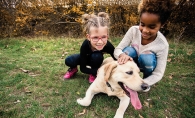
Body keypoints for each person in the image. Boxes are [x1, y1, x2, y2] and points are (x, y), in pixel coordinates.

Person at [114, 0, 175, 91]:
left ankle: (145, 79)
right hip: (132, 64)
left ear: (162, 25)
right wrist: (121, 55)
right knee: (128, 51)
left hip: (147, 65)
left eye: (151, 27)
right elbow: (118, 49)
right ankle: (125, 77)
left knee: (147, 57)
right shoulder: (133, 30)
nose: (145, 30)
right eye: (142, 24)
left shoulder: (162, 45)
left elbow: (158, 74)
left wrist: (142, 83)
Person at [64, 12, 116, 83]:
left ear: (107, 35)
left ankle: (93, 74)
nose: (100, 42)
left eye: (103, 37)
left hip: (97, 60)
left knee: (97, 56)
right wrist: (98, 71)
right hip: (86, 59)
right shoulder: (85, 45)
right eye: (95, 37)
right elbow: (83, 68)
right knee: (69, 60)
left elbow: (116, 59)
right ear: (88, 37)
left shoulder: (108, 45)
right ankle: (73, 69)